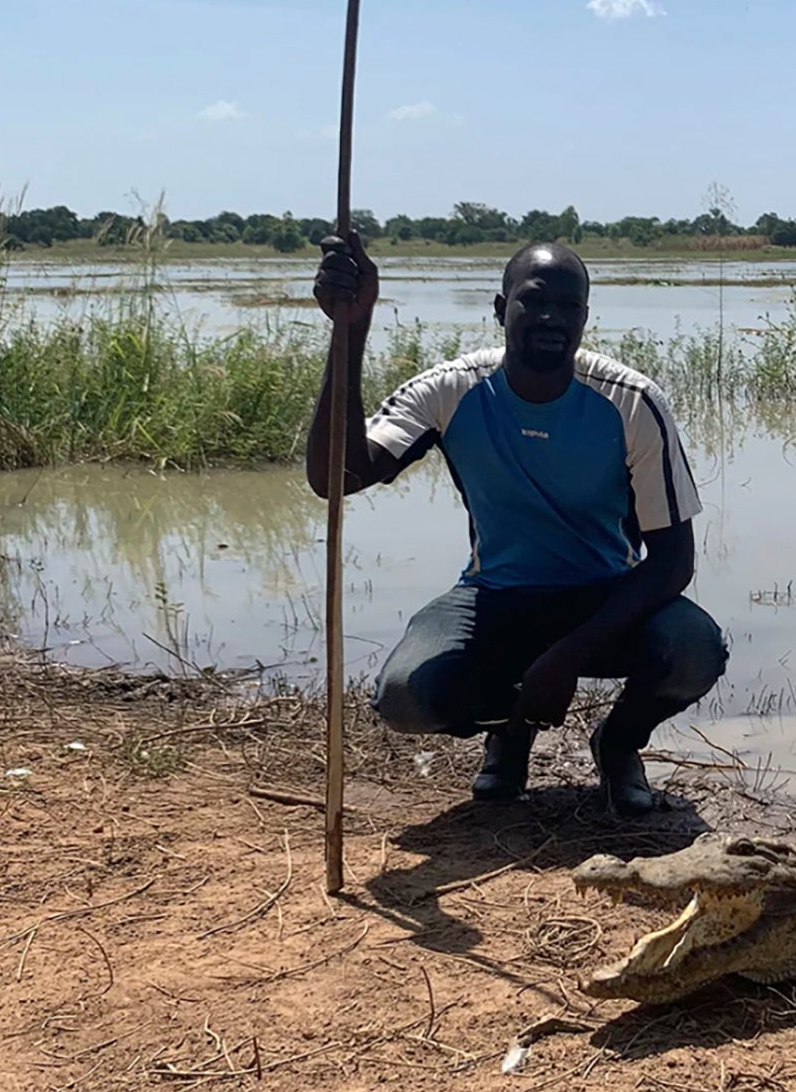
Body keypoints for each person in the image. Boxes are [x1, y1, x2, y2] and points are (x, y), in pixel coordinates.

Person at [305, 232, 727, 816]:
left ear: (584, 318)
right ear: (502, 309)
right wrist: (349, 330)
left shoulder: (631, 401)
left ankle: (620, 742)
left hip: (602, 595)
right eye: (534, 300)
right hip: (494, 595)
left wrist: (566, 659)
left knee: (694, 651)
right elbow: (339, 476)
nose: (551, 317)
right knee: (406, 697)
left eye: (568, 306)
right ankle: (510, 728)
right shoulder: (450, 391)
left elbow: (673, 562)